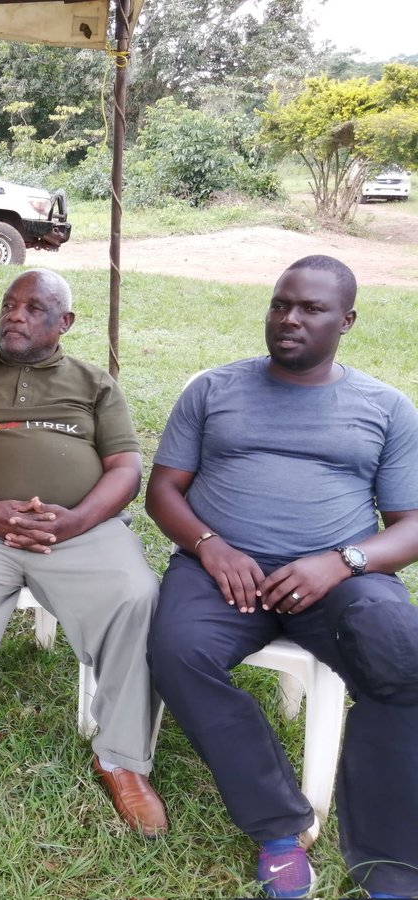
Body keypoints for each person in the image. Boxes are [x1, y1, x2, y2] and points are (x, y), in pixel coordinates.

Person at [145, 255, 418, 899]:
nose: (289, 319)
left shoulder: (385, 407)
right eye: (279, 304)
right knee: (177, 651)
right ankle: (278, 828)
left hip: (339, 579)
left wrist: (341, 561)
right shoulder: (214, 390)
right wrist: (211, 547)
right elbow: (163, 492)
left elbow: (409, 525)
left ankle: (391, 861)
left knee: (401, 654)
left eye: (311, 309)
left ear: (346, 321)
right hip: (221, 574)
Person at [0, 269, 167, 837]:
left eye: (33, 308)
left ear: (64, 322)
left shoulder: (94, 383)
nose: (15, 315)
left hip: (80, 529)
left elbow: (127, 469)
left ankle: (123, 758)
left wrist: (76, 520)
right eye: (9, 304)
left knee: (137, 596)